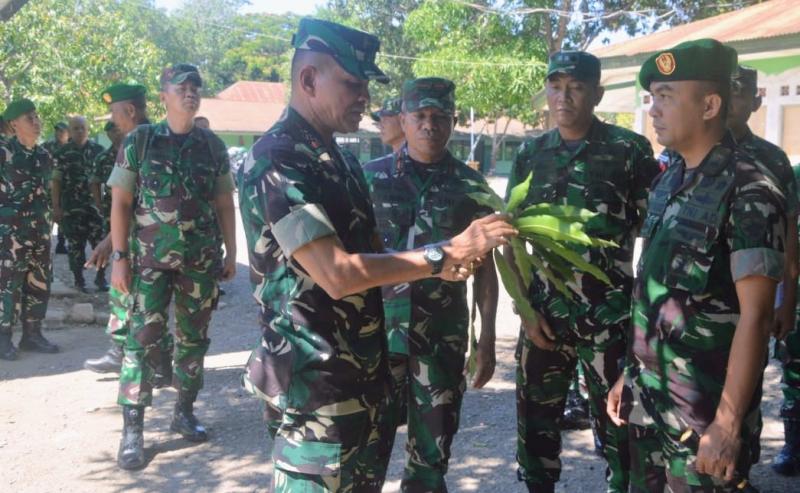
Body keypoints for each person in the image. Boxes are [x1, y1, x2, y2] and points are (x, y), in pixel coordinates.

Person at [239, 17, 514, 492]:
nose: (365, 96)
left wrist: (445, 270)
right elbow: (337, 273)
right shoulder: (278, 159)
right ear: (308, 79)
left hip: (364, 376)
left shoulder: (340, 160)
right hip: (314, 387)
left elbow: (371, 256)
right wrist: (441, 253)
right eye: (351, 83)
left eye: (366, 84)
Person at [607, 39, 786, 492]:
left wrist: (726, 425)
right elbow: (654, 291)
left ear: (709, 104)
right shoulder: (671, 178)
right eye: (652, 98)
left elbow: (757, 314)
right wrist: (632, 372)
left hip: (702, 415)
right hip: (650, 402)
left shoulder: (750, 190)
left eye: (666, 96)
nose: (654, 110)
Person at [507, 51, 660, 493]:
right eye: (555, 86)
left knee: (617, 425)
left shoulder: (628, 150)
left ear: (597, 93)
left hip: (607, 314)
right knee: (535, 424)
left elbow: (651, 235)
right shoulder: (531, 154)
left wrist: (638, 314)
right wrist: (524, 311)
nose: (563, 96)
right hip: (544, 318)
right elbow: (514, 240)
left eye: (575, 87)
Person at [363, 77, 498, 491]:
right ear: (402, 120)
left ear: (453, 122)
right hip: (375, 338)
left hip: (441, 339)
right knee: (363, 453)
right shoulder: (367, 178)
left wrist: (487, 338)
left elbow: (487, 269)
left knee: (431, 460)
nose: (429, 125)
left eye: (439, 117)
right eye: (419, 116)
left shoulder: (471, 187)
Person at [108, 64, 236, 470]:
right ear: (163, 96)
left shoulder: (212, 146)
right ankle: (133, 429)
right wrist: (118, 259)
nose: (190, 93)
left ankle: (184, 410)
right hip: (148, 264)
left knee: (194, 340)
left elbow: (223, 204)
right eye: (181, 87)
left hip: (199, 261)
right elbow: (121, 203)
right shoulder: (141, 141)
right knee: (141, 341)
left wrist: (232, 253)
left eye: (195, 87)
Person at [727, 65, 800, 476]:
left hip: (755, 296)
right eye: (727, 91)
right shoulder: (692, 152)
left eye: (741, 94)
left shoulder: (771, 158)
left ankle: (741, 471)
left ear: (755, 103)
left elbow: (790, 233)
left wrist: (787, 300)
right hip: (705, 296)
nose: (731, 102)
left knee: (749, 383)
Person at [83, 83, 174, 378]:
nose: (113, 120)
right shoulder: (163, 137)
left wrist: (113, 246)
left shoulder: (136, 141)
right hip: (156, 239)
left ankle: (126, 353)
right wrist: (109, 241)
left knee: (130, 295)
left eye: (115, 112)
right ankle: (157, 362)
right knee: (149, 301)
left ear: (131, 111)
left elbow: (128, 203)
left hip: (141, 241)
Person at [0, 99, 59, 360]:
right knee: (7, 284)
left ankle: (32, 334)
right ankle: (3, 338)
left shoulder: (45, 155)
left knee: (39, 281)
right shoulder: (3, 152)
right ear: (14, 124)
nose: (36, 122)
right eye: (29, 118)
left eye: (36, 117)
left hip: (40, 231)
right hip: (9, 234)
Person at [51, 116, 105, 291]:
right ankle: (79, 280)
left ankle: (101, 277)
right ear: (69, 131)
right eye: (75, 128)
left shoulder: (99, 151)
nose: (79, 131)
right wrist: (56, 207)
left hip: (95, 208)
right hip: (72, 208)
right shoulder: (62, 153)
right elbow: (56, 182)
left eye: (82, 128)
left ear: (88, 129)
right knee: (75, 245)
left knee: (100, 242)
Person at [44, 121, 69, 255]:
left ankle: (61, 242)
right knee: (50, 214)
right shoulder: (47, 146)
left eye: (62, 131)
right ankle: (47, 242)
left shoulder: (71, 148)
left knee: (64, 215)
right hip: (50, 187)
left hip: (66, 187)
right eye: (57, 130)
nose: (59, 133)